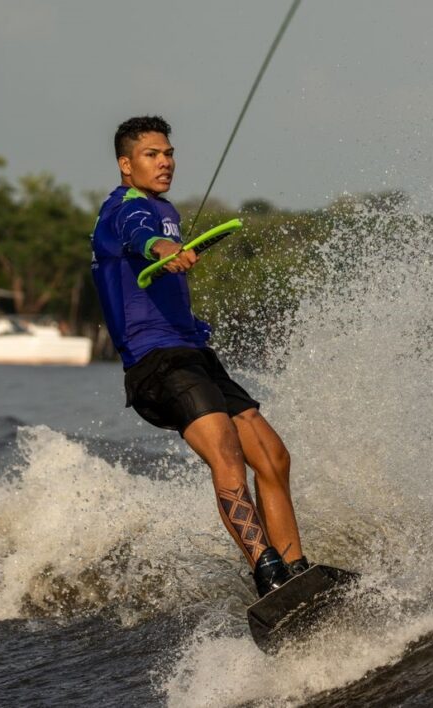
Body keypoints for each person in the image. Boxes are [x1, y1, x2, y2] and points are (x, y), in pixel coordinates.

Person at [90, 116, 307, 597]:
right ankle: (268, 575)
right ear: (126, 164)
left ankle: (297, 571)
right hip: (156, 364)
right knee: (226, 451)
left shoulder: (164, 208)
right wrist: (164, 248)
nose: (165, 162)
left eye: (168, 153)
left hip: (192, 355)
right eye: (151, 155)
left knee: (273, 457)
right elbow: (139, 235)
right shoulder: (122, 210)